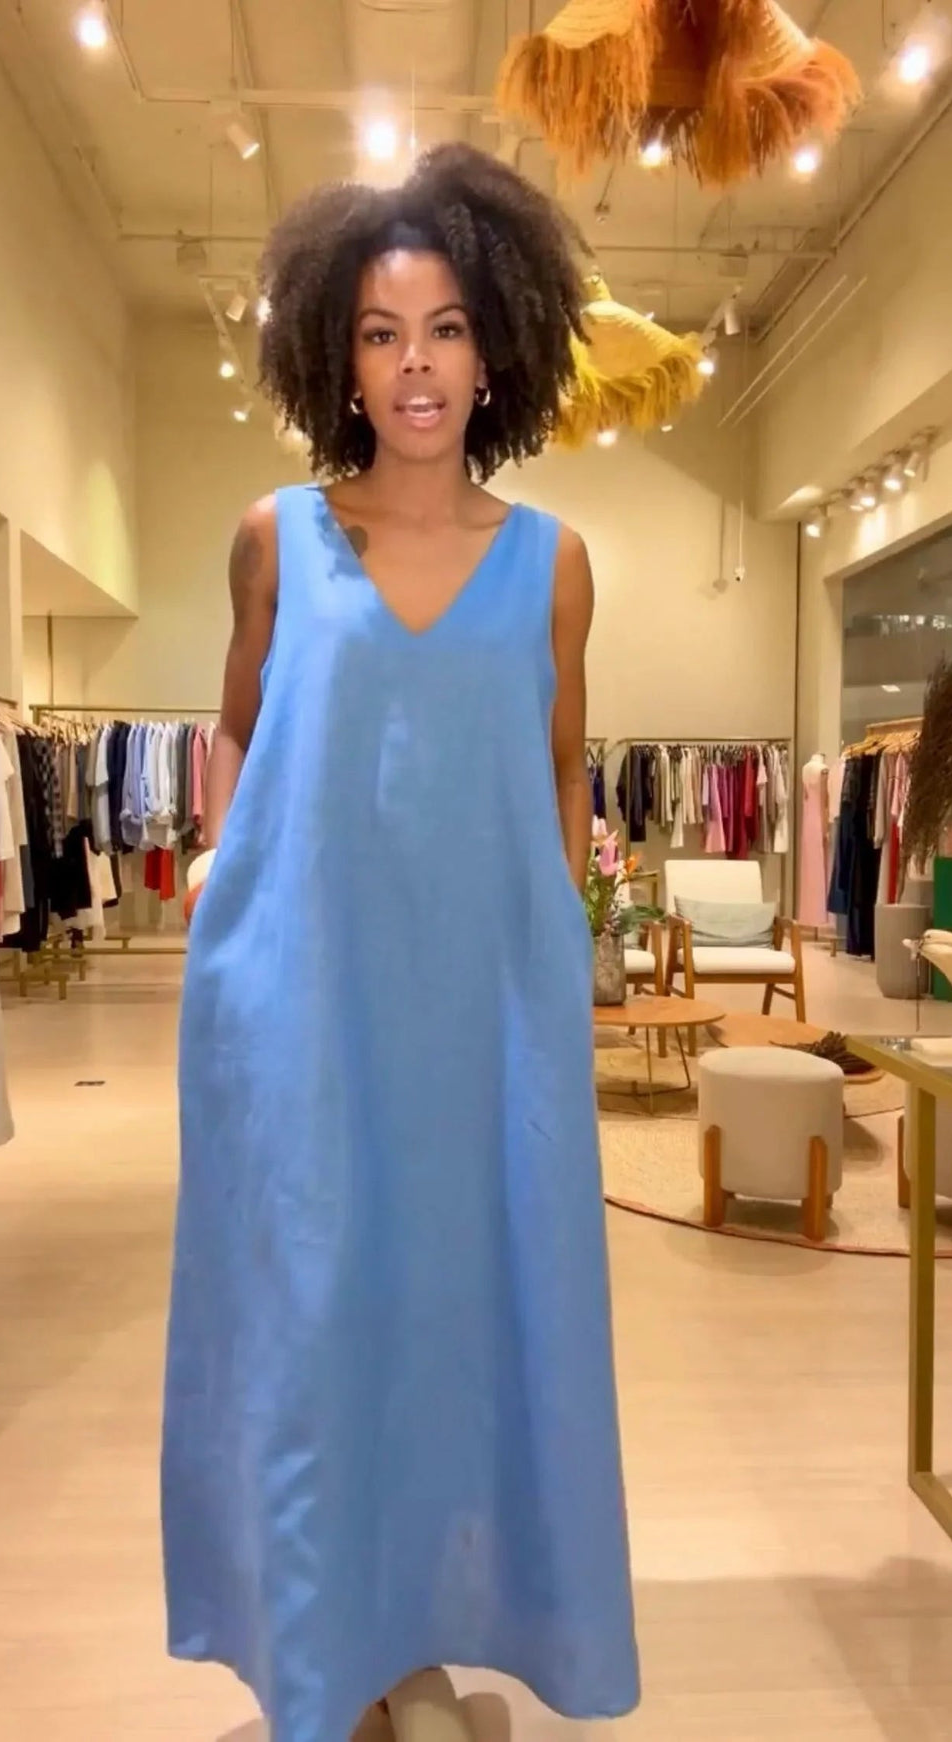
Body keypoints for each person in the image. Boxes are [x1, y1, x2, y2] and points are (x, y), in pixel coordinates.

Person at [162, 143, 639, 1742]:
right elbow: (244, 732)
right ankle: (335, 1655)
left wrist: (559, 944)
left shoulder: (555, 564)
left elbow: (561, 765)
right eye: (380, 332)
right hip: (302, 1008)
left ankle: (418, 1633)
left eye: (444, 328)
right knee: (317, 1321)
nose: (415, 363)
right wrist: (229, 907)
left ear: (494, 349)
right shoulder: (274, 539)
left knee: (463, 1316)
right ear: (338, 356)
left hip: (484, 1014)